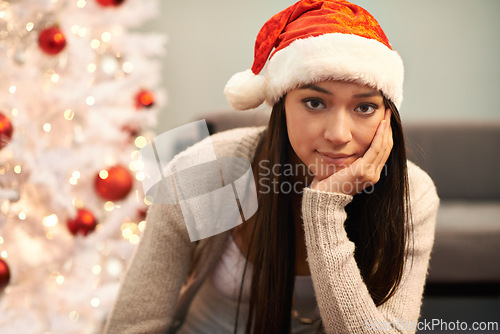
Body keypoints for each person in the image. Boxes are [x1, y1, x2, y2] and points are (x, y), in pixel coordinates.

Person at [104, 1, 439, 333]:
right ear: (281, 105)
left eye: (364, 107)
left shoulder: (413, 195)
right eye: (314, 102)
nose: (338, 135)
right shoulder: (213, 171)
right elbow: (133, 327)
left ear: (387, 117)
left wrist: (324, 211)